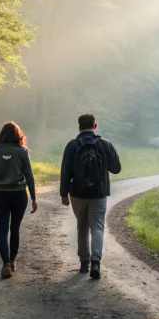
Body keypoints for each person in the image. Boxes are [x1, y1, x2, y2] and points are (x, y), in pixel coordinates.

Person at [60, 113, 121, 279]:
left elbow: (65, 171)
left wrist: (63, 193)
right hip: (99, 193)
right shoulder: (105, 144)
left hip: (78, 194)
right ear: (95, 126)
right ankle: (96, 261)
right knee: (98, 227)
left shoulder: (72, 145)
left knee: (82, 227)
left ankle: (84, 263)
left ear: (79, 127)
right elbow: (117, 169)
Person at [0, 121, 38, 279]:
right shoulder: (22, 151)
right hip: (19, 195)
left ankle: (6, 263)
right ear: (17, 135)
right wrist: (34, 197)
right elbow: (29, 175)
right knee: (15, 228)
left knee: (2, 229)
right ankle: (13, 260)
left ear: (2, 135)